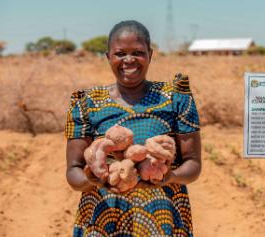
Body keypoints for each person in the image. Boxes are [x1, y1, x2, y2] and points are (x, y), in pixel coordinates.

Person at [65, 20, 202, 237]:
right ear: (108, 56)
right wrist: (93, 179)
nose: (129, 60)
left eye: (138, 52)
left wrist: (170, 176)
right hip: (104, 217)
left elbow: (193, 163)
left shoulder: (176, 97)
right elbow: (73, 170)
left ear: (150, 54)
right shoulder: (86, 102)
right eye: (120, 53)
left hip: (163, 218)